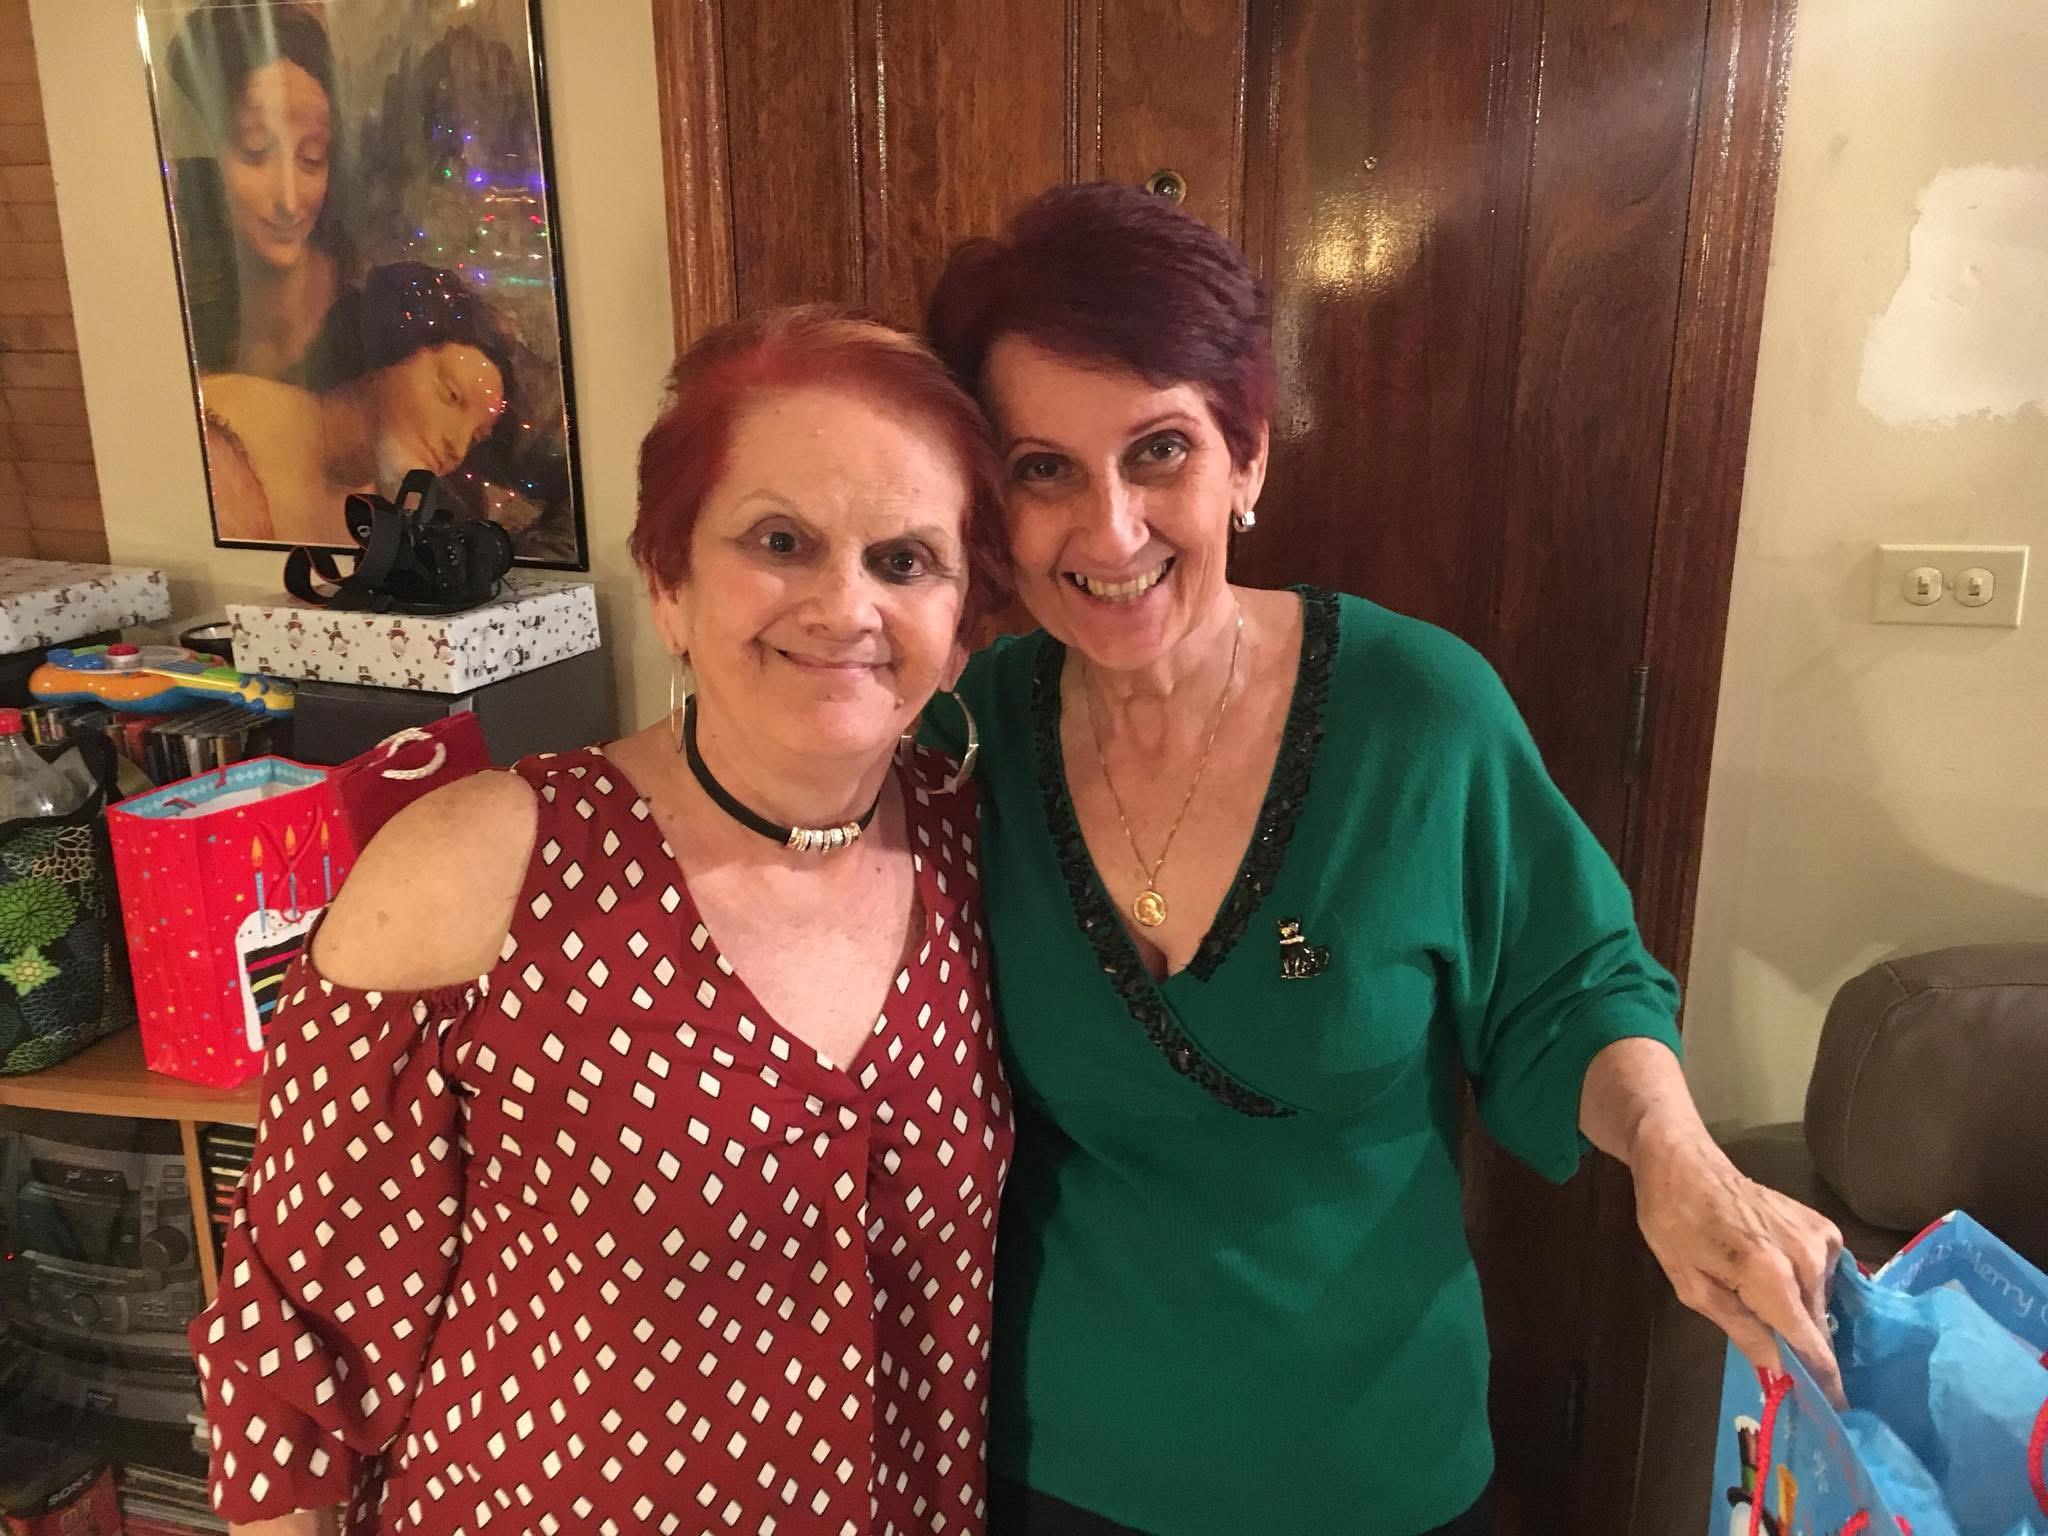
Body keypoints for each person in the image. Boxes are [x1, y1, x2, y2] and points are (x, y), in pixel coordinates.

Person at [922, 182, 1846, 1536]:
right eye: (1042, 468)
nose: (1108, 531)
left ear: (1247, 460)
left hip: (1378, 1469)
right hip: (1062, 1468)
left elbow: (1570, 984)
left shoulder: (1420, 710)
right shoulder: (960, 747)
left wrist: (1671, 1153)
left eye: (1161, 451)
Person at [189, 306, 1016, 1534]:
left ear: (957, 632)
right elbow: (290, 1359)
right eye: (780, 540)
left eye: (905, 561)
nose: (844, 605)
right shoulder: (481, 866)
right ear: (670, 582)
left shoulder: (975, 851)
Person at [200, 263, 514, 545]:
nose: (456, 448)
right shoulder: (222, 439)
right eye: (451, 395)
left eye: (475, 437)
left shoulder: (384, 509)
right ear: (387, 354)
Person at [165, 0, 353, 379]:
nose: (288, 201)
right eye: (255, 150)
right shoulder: (183, 305)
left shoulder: (358, 312)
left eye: (312, 157)